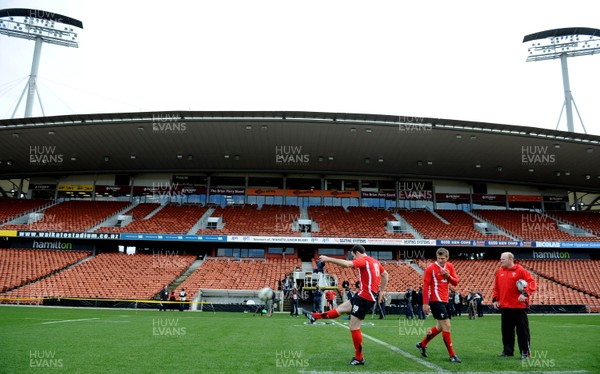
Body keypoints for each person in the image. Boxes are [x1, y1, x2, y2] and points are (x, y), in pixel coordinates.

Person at [302, 245, 389, 366]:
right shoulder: (375, 261)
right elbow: (385, 275)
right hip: (362, 295)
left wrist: (328, 258)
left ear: (357, 253)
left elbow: (347, 265)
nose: (353, 258)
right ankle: (315, 316)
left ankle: (359, 358)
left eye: (353, 255)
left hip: (365, 297)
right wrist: (382, 291)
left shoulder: (364, 260)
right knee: (340, 309)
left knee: (354, 327)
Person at [416, 247, 461, 363]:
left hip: (445, 300)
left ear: (447, 258)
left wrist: (448, 276)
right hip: (436, 301)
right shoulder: (430, 268)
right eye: (439, 258)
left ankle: (422, 344)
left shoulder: (450, 266)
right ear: (436, 257)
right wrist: (425, 304)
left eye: (443, 258)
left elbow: (455, 282)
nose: (441, 260)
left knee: (440, 327)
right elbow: (425, 286)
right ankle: (452, 355)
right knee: (447, 325)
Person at [492, 252, 536, 360]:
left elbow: (532, 283)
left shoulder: (520, 270)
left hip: (519, 307)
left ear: (510, 259)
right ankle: (507, 351)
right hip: (505, 306)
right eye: (500, 259)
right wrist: (495, 300)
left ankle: (525, 353)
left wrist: (525, 294)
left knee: (522, 332)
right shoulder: (499, 272)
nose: (500, 261)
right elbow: (496, 287)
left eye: (503, 259)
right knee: (506, 331)